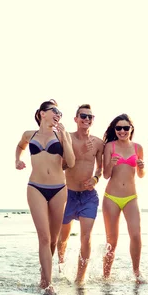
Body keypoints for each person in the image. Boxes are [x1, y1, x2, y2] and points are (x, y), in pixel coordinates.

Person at [15, 99, 75, 294]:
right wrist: (17, 160)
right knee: (43, 236)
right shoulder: (29, 134)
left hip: (58, 188)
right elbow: (20, 146)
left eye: (60, 112)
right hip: (35, 187)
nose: (58, 114)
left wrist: (65, 138)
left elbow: (72, 162)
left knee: (53, 240)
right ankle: (48, 285)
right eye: (54, 110)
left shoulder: (61, 135)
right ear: (42, 113)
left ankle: (44, 277)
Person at [57, 104, 104, 284]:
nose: (86, 119)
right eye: (83, 116)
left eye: (90, 117)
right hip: (67, 194)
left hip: (88, 197)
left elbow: (100, 168)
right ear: (75, 119)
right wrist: (79, 153)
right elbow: (60, 166)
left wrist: (95, 179)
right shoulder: (66, 138)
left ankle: (80, 280)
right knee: (63, 238)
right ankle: (61, 268)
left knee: (86, 237)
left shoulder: (98, 143)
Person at [101, 113, 145, 282]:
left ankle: (136, 272)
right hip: (111, 197)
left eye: (125, 128)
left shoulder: (137, 147)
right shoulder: (110, 146)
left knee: (136, 235)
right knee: (112, 239)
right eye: (118, 128)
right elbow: (105, 175)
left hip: (131, 197)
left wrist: (141, 167)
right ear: (115, 129)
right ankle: (106, 275)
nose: (122, 131)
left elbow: (141, 175)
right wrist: (111, 164)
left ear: (131, 129)